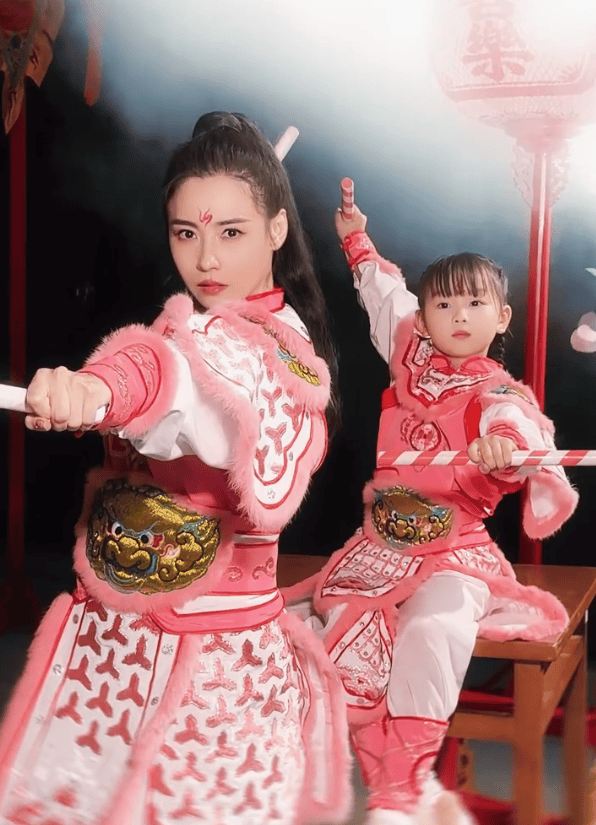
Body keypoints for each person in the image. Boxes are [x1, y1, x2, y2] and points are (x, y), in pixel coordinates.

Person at [0, 112, 351, 825]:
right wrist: (100, 390)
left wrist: (99, 388)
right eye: (186, 233)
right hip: (123, 641)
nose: (206, 259)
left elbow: (180, 387)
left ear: (277, 230)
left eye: (231, 233)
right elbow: (164, 361)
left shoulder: (272, 352)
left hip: (216, 666)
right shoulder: (195, 326)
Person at [286, 201, 579, 825]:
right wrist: (357, 241)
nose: (459, 315)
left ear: (501, 316)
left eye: (474, 303)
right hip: (379, 548)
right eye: (443, 304)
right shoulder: (409, 355)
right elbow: (384, 295)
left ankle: (399, 790)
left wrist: (504, 446)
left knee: (434, 627)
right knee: (324, 628)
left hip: (454, 550)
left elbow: (517, 424)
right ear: (425, 317)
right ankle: (389, 785)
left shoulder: (498, 390)